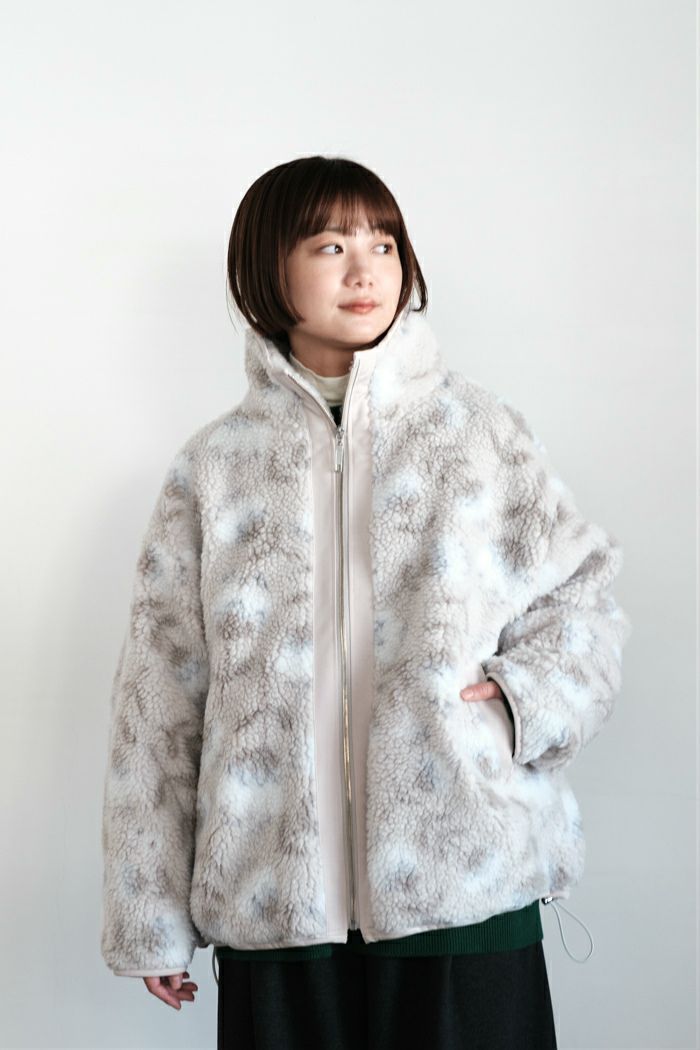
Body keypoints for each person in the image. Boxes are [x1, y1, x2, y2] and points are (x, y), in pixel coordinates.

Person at [100, 154, 632, 1049]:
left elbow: (582, 599)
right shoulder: (214, 470)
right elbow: (159, 698)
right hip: (277, 909)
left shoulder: (479, 436)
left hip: (463, 890)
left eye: (383, 244)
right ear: (267, 271)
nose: (365, 270)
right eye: (330, 245)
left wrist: (521, 700)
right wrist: (148, 911)